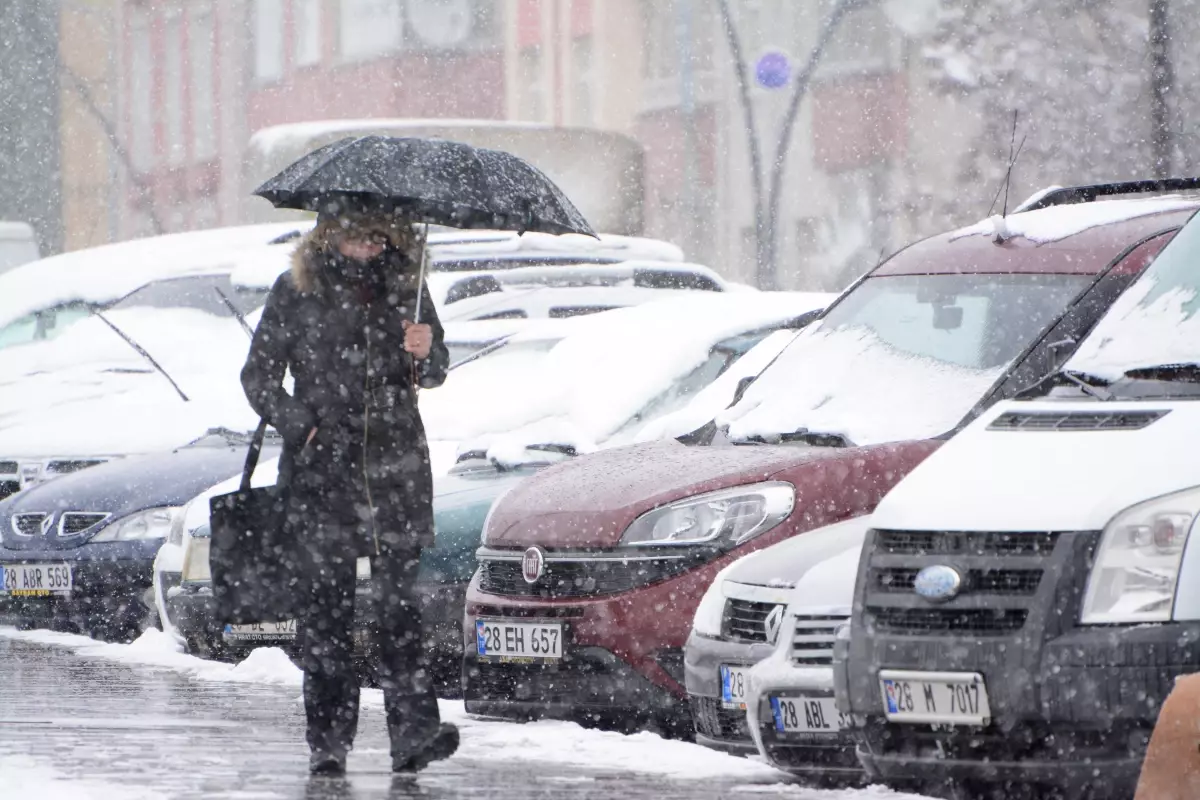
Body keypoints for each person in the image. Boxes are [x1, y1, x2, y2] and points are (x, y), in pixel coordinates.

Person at [241, 206, 458, 775]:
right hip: (322, 474)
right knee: (327, 615)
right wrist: (299, 422)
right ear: (329, 234)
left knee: (399, 610)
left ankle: (413, 735)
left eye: (377, 237)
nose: (367, 247)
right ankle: (328, 745)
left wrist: (425, 350)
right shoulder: (296, 290)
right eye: (356, 236)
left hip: (396, 468)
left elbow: (434, 372)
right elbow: (258, 377)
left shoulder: (407, 289)